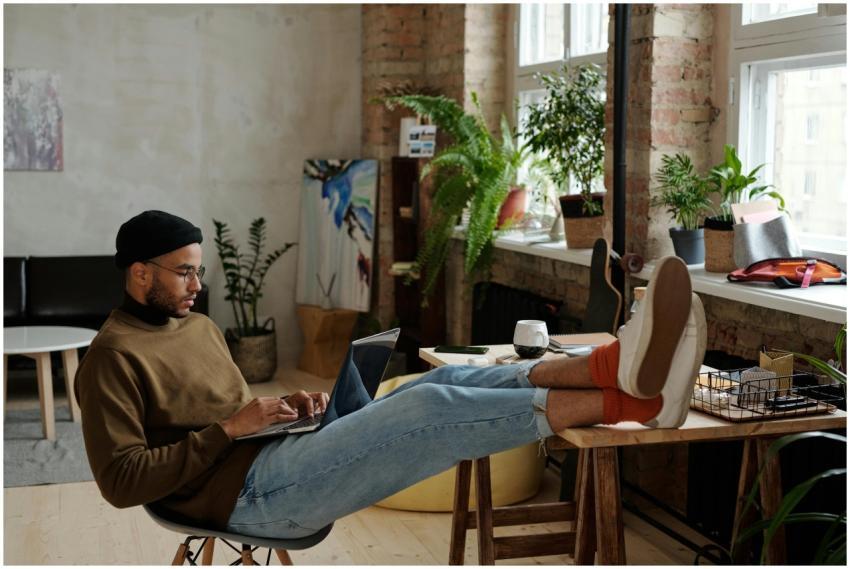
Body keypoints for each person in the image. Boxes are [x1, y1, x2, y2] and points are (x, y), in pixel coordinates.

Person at [76, 210, 707, 540]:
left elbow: (232, 419)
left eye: (199, 270)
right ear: (140, 274)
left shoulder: (199, 327)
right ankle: (635, 402)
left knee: (434, 383)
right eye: (184, 272)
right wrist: (231, 428)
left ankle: (616, 373)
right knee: (427, 411)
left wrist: (286, 411)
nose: (198, 284)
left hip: (272, 462)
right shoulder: (111, 357)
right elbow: (121, 481)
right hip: (247, 501)